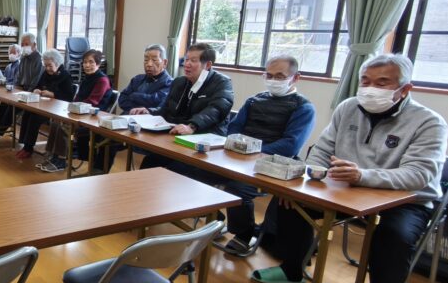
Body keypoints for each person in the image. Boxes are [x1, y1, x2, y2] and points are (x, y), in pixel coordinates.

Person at [251, 54, 447, 283]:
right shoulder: (348, 108)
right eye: (365, 81)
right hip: (345, 188)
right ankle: (292, 270)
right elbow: (322, 149)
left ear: (405, 89)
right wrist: (308, 178)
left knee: (394, 237)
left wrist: (364, 175)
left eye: (382, 82)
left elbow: (419, 174)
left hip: (404, 200)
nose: (370, 88)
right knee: (288, 201)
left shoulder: (429, 122)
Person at [219, 55, 316, 255]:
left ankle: (244, 234)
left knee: (237, 188)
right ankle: (214, 221)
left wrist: (255, 152)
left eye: (279, 76)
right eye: (269, 75)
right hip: (240, 157)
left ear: (295, 78)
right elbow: (234, 128)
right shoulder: (254, 100)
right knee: (196, 169)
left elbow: (290, 145)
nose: (273, 80)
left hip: (274, 165)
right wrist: (241, 147)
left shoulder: (303, 108)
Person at [135, 43, 234, 171]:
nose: (187, 64)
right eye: (186, 59)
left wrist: (192, 126)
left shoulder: (222, 82)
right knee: (150, 162)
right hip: (179, 139)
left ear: (208, 65)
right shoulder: (179, 82)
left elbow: (216, 109)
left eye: (193, 60)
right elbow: (165, 110)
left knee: (175, 169)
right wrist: (149, 112)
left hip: (205, 142)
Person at [89, 43, 174, 172]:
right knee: (104, 137)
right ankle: (97, 174)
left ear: (165, 62)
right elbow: (122, 100)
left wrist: (134, 96)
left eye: (154, 60)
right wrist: (140, 104)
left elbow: (157, 103)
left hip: (149, 129)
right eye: (146, 59)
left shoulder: (170, 83)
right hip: (126, 123)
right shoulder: (138, 79)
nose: (149, 64)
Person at [38, 49, 111, 173]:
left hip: (93, 117)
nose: (87, 65)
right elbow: (77, 99)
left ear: (98, 64)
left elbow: (92, 102)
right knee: (56, 121)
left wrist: (73, 108)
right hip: (80, 113)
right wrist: (72, 107)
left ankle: (61, 160)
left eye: (91, 62)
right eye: (85, 62)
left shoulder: (102, 80)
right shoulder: (87, 78)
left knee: (63, 125)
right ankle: (52, 155)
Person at [16, 49, 74, 161]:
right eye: (45, 65)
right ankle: (24, 144)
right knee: (27, 113)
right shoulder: (46, 73)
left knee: (34, 118)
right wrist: (36, 90)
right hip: (43, 105)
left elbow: (68, 97)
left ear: (57, 63)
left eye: (50, 65)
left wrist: (53, 94)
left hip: (57, 109)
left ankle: (29, 148)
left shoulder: (66, 76)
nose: (47, 68)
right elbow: (38, 86)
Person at [0, 33, 44, 137]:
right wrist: (14, 90)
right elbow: (18, 77)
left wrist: (24, 93)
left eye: (26, 44)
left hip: (32, 93)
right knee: (3, 102)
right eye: (22, 44)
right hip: (20, 90)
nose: (24, 46)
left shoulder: (39, 60)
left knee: (11, 107)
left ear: (34, 45)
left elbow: (36, 81)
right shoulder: (23, 58)